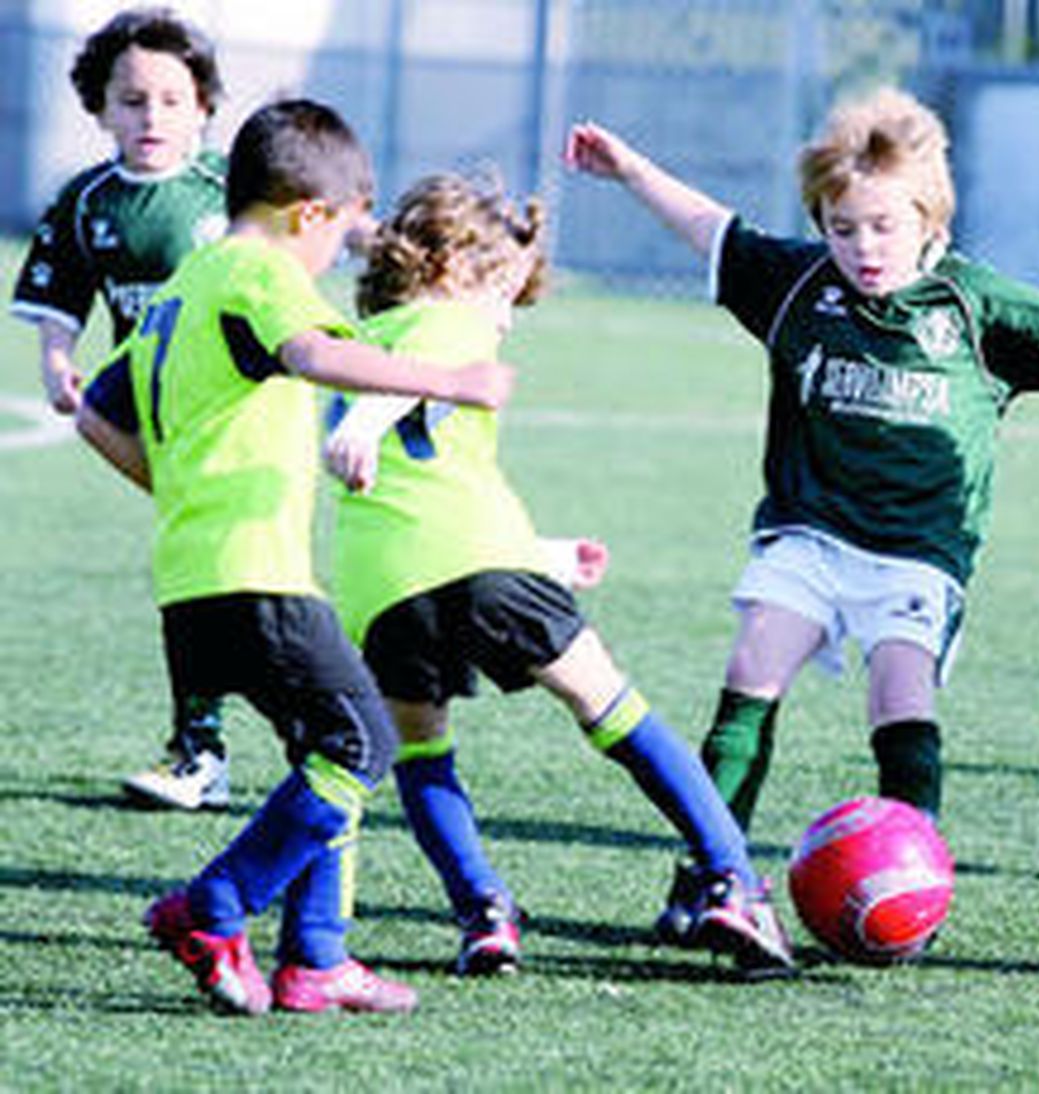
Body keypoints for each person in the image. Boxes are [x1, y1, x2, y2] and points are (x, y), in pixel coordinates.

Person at [565, 86, 1039, 939]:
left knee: (899, 699)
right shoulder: (801, 283)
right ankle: (712, 877)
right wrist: (628, 170)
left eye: (883, 226)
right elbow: (711, 228)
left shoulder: (974, 305)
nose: (863, 246)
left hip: (916, 555)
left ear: (930, 221)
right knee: (752, 669)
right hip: (807, 529)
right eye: (843, 228)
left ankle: (912, 888)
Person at [74, 99, 515, 1015]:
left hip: (193, 578)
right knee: (365, 739)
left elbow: (96, 412)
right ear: (308, 214)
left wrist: (180, 490)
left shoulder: (185, 284)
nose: (337, 258)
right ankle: (216, 904)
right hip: (256, 574)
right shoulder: (258, 269)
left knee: (326, 750)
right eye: (343, 232)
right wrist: (450, 379)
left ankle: (316, 960)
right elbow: (313, 352)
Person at [321, 173, 794, 977]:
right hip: (477, 560)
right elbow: (411, 385)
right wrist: (365, 424)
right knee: (611, 709)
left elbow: (422, 487)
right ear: (450, 268)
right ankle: (734, 881)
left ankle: (483, 913)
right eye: (502, 291)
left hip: (384, 585)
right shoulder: (445, 320)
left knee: (422, 755)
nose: (505, 317)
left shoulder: (356, 340)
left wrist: (540, 553)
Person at [8, 6, 237, 812]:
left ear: (204, 108)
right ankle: (202, 746)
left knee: (225, 583)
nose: (152, 116)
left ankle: (230, 741)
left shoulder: (228, 193)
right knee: (195, 580)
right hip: (154, 423)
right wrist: (57, 360)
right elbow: (59, 295)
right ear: (100, 108)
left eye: (173, 100)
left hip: (239, 419)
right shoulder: (86, 202)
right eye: (133, 100)